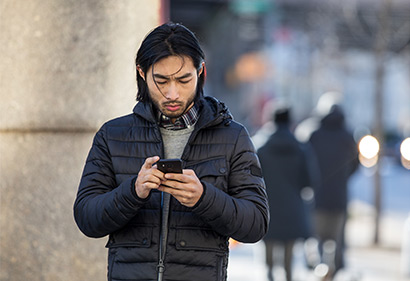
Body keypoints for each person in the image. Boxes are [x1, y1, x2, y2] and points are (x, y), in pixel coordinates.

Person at [73, 23, 269, 281]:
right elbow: (87, 217)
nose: (172, 93)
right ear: (142, 73)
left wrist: (203, 198)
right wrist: (134, 192)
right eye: (161, 80)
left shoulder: (232, 136)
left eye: (184, 79)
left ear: (200, 72)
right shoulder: (112, 135)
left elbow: (255, 224)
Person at [255, 104, 313, 281]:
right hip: (292, 211)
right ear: (290, 121)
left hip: (267, 211)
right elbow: (310, 181)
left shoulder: (260, 148)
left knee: (268, 265)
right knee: (289, 265)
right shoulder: (301, 148)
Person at [307, 104, 359, 280]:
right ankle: (333, 271)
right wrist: (343, 177)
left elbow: (306, 162)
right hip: (339, 196)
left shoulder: (314, 135)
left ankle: (321, 269)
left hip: (318, 195)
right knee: (337, 239)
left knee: (319, 237)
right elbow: (356, 163)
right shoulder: (347, 136)